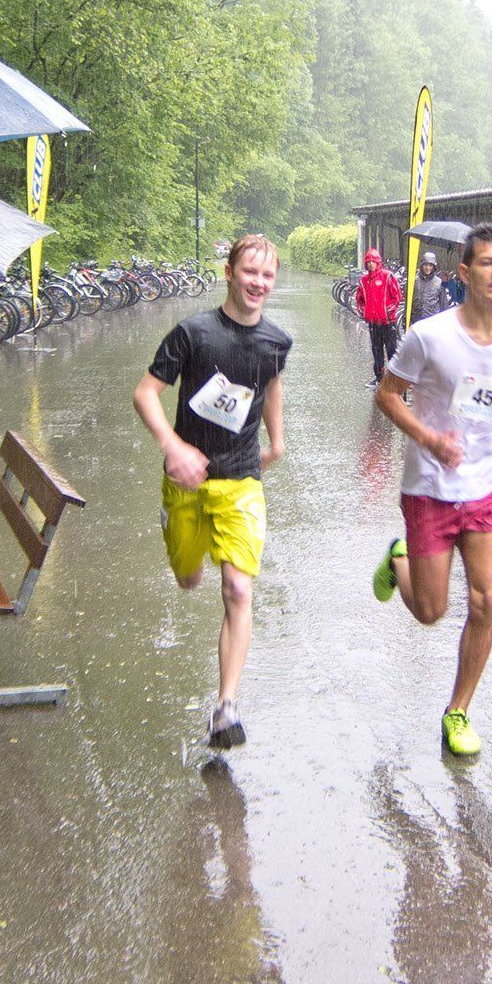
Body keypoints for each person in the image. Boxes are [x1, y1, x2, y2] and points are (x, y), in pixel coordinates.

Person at [369, 223, 492, 757]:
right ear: (465, 272)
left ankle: (457, 712)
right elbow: (387, 396)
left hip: (483, 487)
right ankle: (397, 559)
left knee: (488, 599)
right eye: (487, 263)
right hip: (428, 487)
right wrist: (428, 437)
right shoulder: (429, 336)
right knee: (431, 611)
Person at [133, 235, 290, 750]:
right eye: (250, 272)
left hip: (241, 479)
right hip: (186, 480)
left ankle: (226, 707)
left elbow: (270, 384)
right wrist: (172, 446)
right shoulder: (193, 332)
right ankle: (184, 541)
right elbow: (146, 393)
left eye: (267, 275)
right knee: (187, 578)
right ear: (229, 272)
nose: (258, 283)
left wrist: (277, 439)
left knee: (238, 589)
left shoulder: (275, 341)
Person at [356, 247, 403, 384]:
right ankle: (379, 378)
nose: (371, 264)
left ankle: (394, 380)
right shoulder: (364, 280)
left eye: (373, 261)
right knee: (376, 351)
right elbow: (359, 298)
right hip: (373, 322)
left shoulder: (387, 276)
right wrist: (364, 311)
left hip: (388, 322)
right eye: (368, 262)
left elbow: (397, 296)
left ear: (378, 262)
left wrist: (388, 312)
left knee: (391, 351)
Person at [409, 249, 449, 324]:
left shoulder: (439, 282)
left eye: (430, 265)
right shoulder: (415, 281)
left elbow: (444, 304)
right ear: (421, 265)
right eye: (425, 265)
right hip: (416, 321)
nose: (428, 268)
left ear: (434, 267)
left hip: (432, 321)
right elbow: (409, 302)